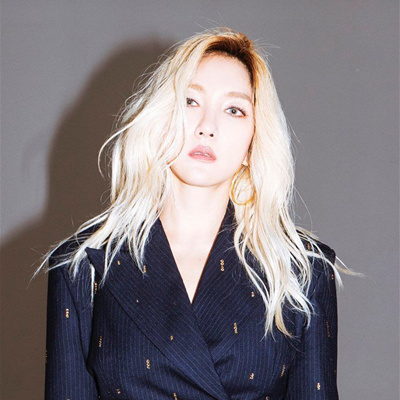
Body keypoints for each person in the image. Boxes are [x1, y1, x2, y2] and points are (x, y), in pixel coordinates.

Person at [32, 26, 358, 400]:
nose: (207, 128)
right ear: (161, 117)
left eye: (234, 110)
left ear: (254, 140)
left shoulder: (301, 270)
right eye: (190, 101)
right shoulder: (84, 266)